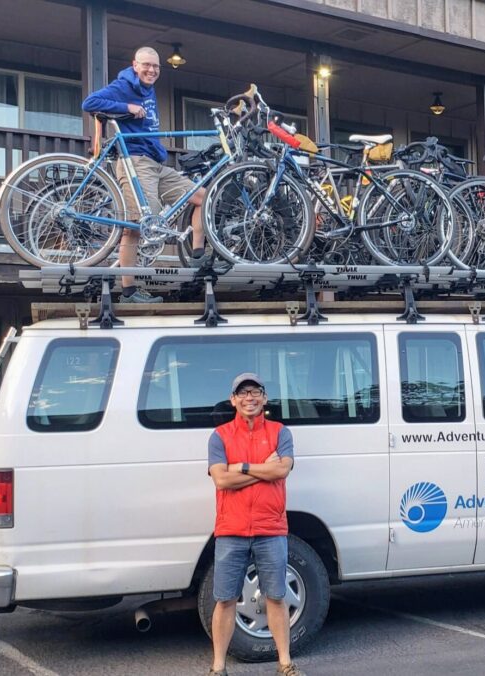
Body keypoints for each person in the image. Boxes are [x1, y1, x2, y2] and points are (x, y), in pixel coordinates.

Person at [82, 46, 207, 304]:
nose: (151, 70)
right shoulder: (124, 85)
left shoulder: (148, 89)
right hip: (135, 162)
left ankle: (198, 254)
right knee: (140, 225)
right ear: (135, 65)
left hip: (155, 162)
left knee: (203, 197)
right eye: (146, 65)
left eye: (156, 66)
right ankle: (128, 291)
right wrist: (126, 106)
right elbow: (90, 103)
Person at [207, 373, 305, 676]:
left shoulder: (280, 432)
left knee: (276, 597)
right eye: (242, 393)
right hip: (231, 529)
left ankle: (285, 664)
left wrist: (243, 467)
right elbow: (221, 478)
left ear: (264, 398)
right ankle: (217, 668)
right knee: (225, 600)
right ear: (233, 399)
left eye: (255, 392)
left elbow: (283, 470)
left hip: (270, 528)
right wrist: (266, 468)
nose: (249, 398)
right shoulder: (220, 435)